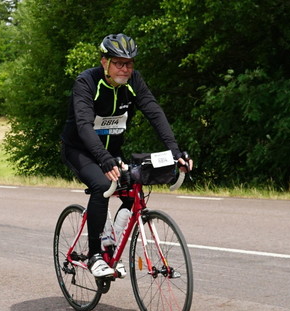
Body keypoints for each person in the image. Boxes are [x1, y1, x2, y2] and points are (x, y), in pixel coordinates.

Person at [61, 33, 192, 278]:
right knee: (102, 185)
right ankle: (94, 256)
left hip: (111, 152)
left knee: (134, 185)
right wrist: (103, 158)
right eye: (119, 63)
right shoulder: (87, 82)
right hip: (80, 150)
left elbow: (154, 112)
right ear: (104, 62)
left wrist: (175, 151)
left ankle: (110, 243)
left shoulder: (134, 81)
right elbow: (84, 125)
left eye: (129, 63)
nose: (124, 68)